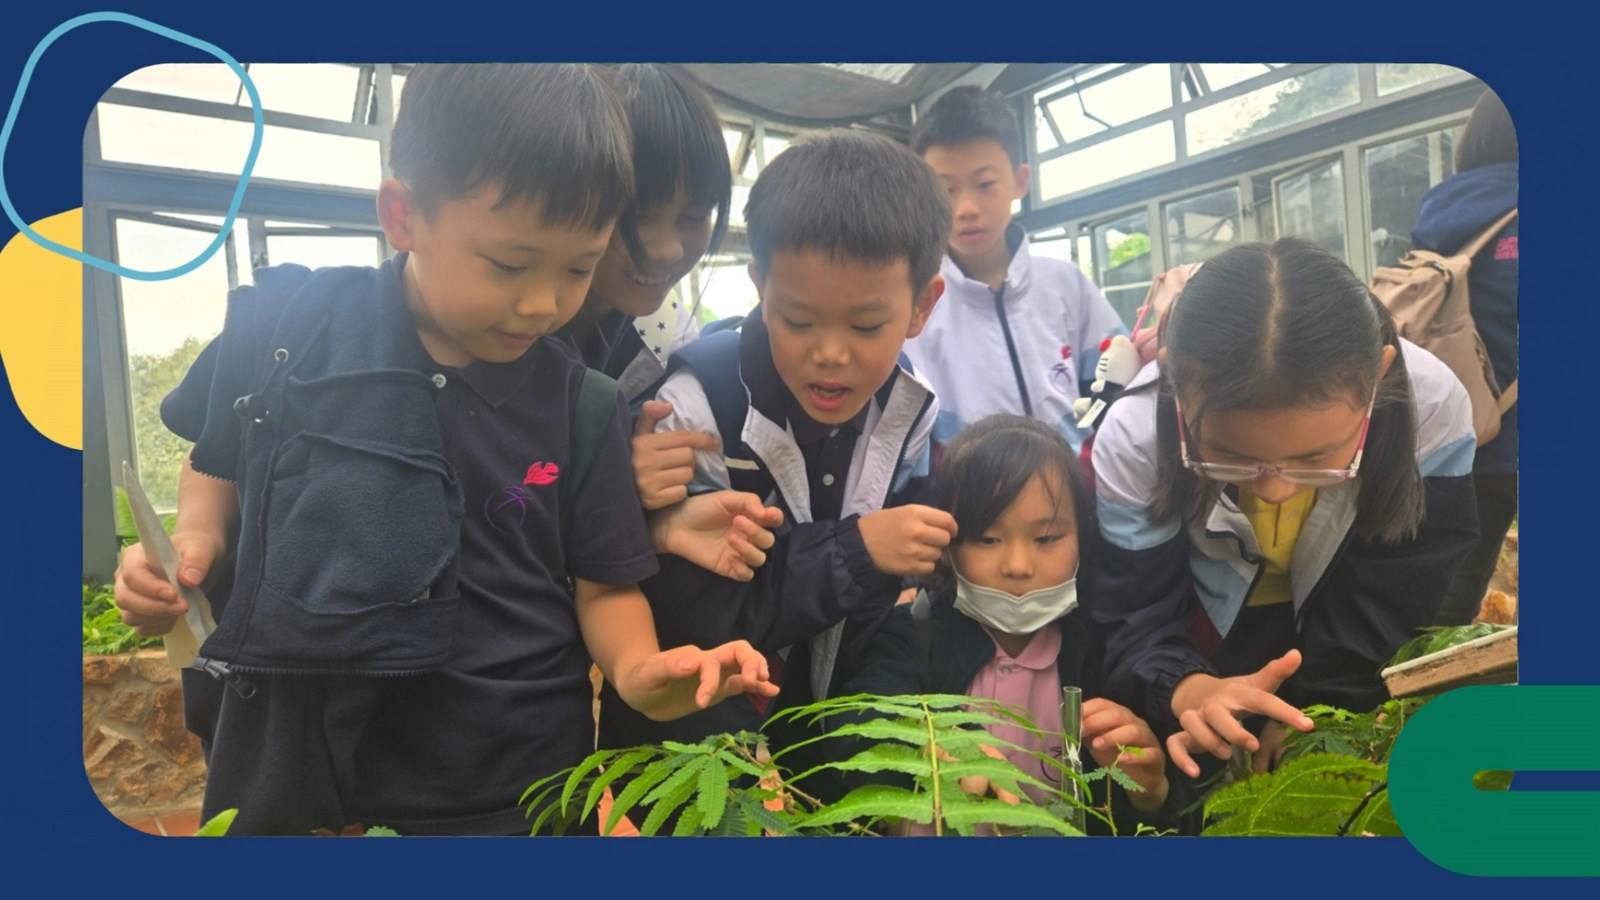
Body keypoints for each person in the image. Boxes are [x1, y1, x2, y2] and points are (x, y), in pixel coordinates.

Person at [110, 64, 777, 835]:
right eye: (509, 264)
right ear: (403, 215)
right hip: (303, 772)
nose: (542, 304)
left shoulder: (582, 402)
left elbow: (605, 586)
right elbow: (219, 457)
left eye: (579, 267)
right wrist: (194, 541)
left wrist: (637, 670)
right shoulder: (288, 327)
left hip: (513, 787)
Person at [600, 129, 955, 754]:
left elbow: (884, 610)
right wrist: (857, 551)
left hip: (825, 742)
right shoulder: (693, 410)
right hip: (696, 751)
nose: (830, 353)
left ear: (923, 306)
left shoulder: (909, 411)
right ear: (761, 286)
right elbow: (688, 615)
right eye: (798, 320)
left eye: (867, 325)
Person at [1088, 238, 1480, 778]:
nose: (1275, 491)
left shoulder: (1432, 410)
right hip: (1206, 627)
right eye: (1230, 456)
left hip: (1348, 620)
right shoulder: (1135, 437)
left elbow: (1398, 593)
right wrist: (1187, 687)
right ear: (1175, 381)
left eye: (1315, 459)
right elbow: (1135, 608)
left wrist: (1320, 709)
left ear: (1379, 375)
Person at [832, 415, 1184, 833]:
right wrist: (925, 743)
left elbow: (1125, 813)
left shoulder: (1102, 649)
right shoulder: (913, 635)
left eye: (1046, 538)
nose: (1018, 566)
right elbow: (852, 730)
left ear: (1084, 537)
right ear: (947, 544)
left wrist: (1149, 792)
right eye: (988, 539)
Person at [902, 86, 1125, 452]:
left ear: (1020, 181)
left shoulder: (1066, 285)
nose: (966, 208)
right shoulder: (919, 308)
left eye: (984, 184)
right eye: (946, 190)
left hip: (1075, 481)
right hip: (971, 485)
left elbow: (1118, 387)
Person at [1413, 89, 1519, 624]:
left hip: (1460, 430)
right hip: (1518, 430)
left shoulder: (1440, 210)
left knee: (1452, 589)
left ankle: (1426, 666)